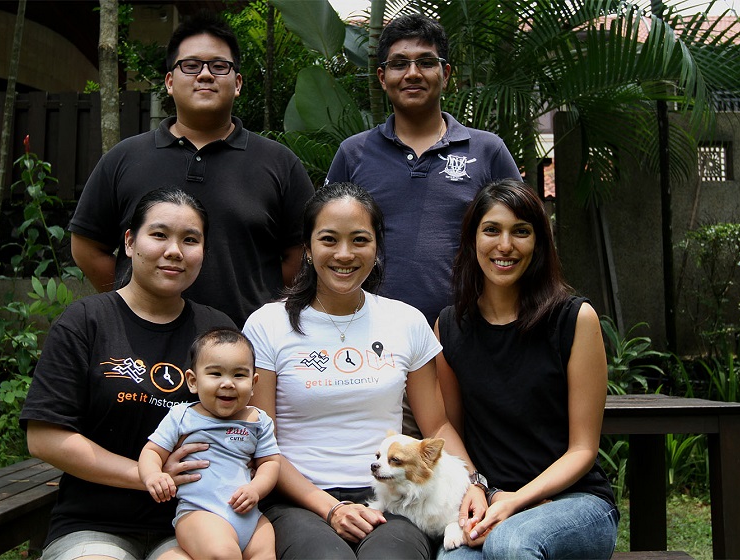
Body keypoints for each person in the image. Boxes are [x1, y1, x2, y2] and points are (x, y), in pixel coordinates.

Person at [242, 182, 486, 560]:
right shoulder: (267, 325)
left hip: (394, 498)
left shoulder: (405, 321)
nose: (344, 254)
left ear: (376, 247)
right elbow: (261, 440)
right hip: (298, 501)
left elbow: (436, 426)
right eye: (328, 240)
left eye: (359, 240)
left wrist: (473, 482)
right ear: (307, 248)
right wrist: (331, 508)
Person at [21, 188, 236, 560]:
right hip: (94, 524)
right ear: (130, 241)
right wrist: (149, 474)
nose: (174, 251)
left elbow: (245, 421)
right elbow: (45, 438)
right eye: (159, 234)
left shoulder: (216, 330)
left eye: (190, 239)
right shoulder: (85, 322)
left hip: (191, 522)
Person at [69, 12, 314, 327]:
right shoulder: (125, 158)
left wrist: (265, 307)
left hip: (245, 348)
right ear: (170, 82)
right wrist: (135, 296)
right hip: (141, 343)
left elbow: (302, 253)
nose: (205, 75)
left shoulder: (279, 163)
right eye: (191, 65)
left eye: (219, 66)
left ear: (237, 83)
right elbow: (86, 247)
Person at [435, 179, 619, 559]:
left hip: (576, 504)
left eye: (521, 232)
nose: (505, 246)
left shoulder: (574, 319)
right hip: (492, 501)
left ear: (538, 244)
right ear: (472, 239)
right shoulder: (450, 327)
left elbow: (583, 449)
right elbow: (449, 429)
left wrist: (518, 501)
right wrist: (481, 488)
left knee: (512, 544)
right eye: (492, 230)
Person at [326, 13, 521, 327]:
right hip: (369, 335)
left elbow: (524, 239)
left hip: (470, 333)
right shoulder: (353, 153)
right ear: (381, 76)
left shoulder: (488, 151)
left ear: (445, 74)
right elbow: (326, 244)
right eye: (399, 63)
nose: (412, 73)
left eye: (426, 62)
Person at [139, 328, 281, 560]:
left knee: (265, 550)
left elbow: (270, 462)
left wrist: (256, 489)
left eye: (239, 375)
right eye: (215, 374)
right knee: (222, 553)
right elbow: (152, 451)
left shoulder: (258, 420)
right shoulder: (182, 416)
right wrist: (153, 475)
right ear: (193, 381)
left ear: (254, 382)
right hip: (200, 513)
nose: (228, 383)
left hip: (250, 517)